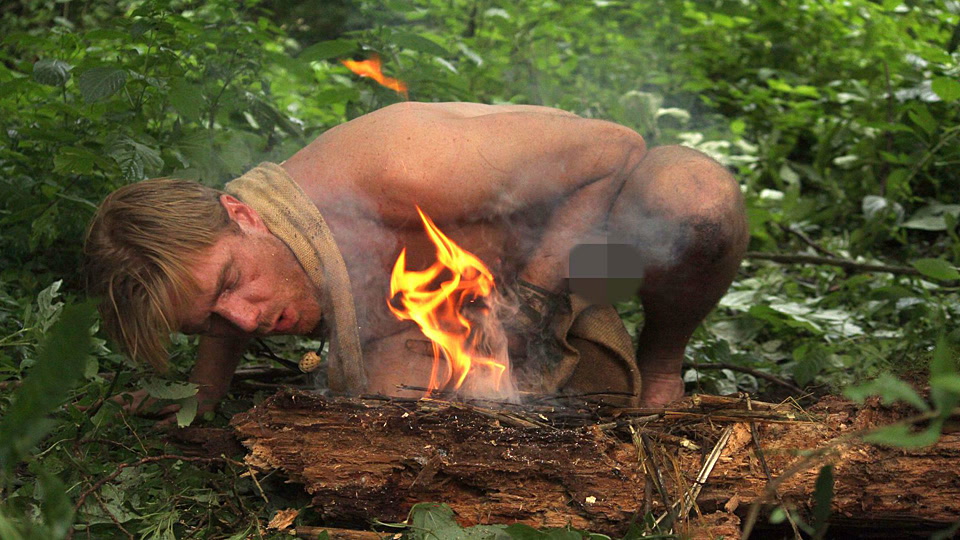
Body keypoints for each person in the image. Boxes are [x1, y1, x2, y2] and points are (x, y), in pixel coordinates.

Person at [84, 102, 748, 417]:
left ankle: (661, 366)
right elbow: (222, 293)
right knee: (398, 416)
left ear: (244, 212)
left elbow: (618, 148)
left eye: (232, 282)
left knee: (696, 202)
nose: (246, 320)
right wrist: (204, 392)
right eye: (208, 320)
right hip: (470, 308)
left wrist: (532, 305)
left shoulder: (401, 170)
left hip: (595, 241)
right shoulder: (258, 253)